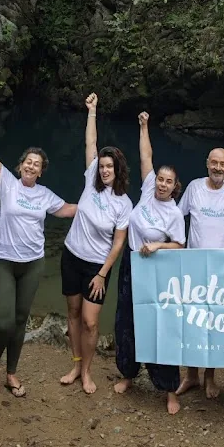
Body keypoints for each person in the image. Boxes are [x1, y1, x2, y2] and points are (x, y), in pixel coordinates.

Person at [0, 102, 76, 398]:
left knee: (20, 319)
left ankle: (11, 372)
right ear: (20, 166)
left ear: (41, 172)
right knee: (3, 320)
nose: (31, 166)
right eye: (28, 161)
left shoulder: (44, 195)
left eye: (37, 164)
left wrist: (100, 207)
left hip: (33, 264)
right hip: (4, 260)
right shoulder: (7, 185)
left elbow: (67, 210)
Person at [60, 92, 132, 395]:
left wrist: (103, 273)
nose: (104, 170)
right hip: (71, 255)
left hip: (96, 266)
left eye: (109, 166)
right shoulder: (91, 181)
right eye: (101, 165)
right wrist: (91, 111)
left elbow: (118, 243)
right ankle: (76, 364)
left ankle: (87, 371)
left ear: (117, 169)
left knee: (90, 321)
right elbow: (90, 143)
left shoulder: (123, 203)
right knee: (74, 314)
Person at [113, 111, 185, 413]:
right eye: (160, 179)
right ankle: (128, 374)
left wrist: (158, 245)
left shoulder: (175, 213)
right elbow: (146, 156)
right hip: (131, 265)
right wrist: (143, 125)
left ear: (174, 186)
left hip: (157, 269)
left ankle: (169, 389)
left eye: (168, 182)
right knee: (126, 321)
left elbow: (180, 245)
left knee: (159, 325)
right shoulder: (146, 191)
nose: (162, 184)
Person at [176, 143, 224, 398]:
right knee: (192, 321)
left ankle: (210, 376)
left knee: (214, 323)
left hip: (222, 269)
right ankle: (191, 375)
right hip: (193, 266)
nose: (218, 168)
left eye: (223, 164)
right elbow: (177, 217)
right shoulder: (194, 187)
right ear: (207, 163)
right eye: (214, 163)